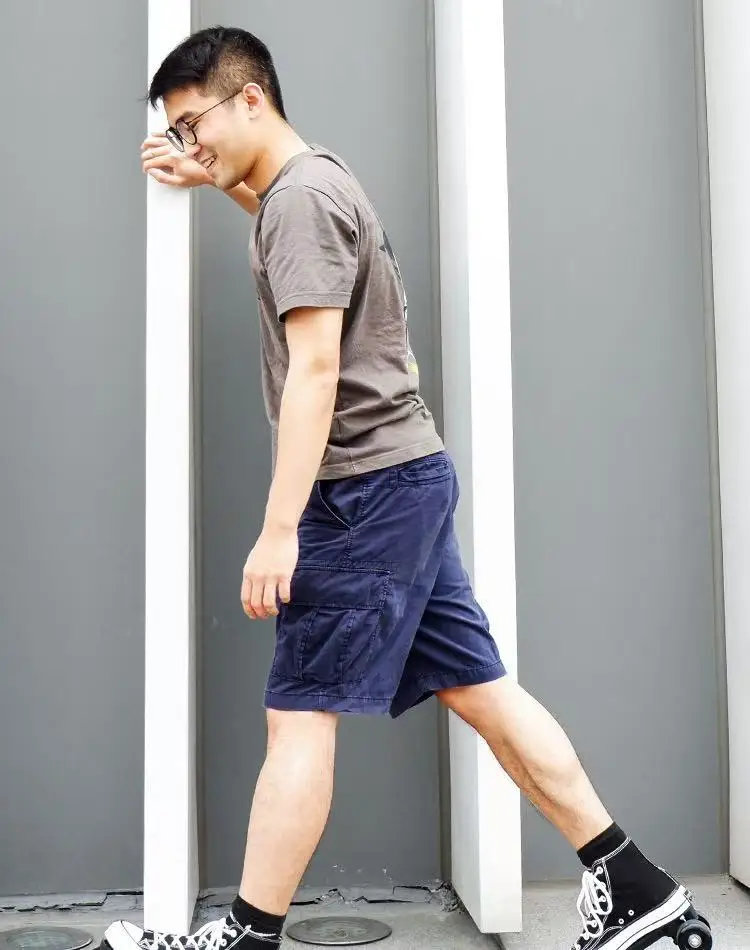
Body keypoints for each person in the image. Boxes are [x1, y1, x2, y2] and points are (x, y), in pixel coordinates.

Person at [104, 25, 709, 950]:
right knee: (482, 690)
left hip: (360, 494)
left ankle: (247, 939)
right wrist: (218, 181)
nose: (190, 143)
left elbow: (315, 370)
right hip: (404, 479)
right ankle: (635, 885)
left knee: (299, 714)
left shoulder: (299, 202)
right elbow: (294, 244)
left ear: (249, 98)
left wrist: (280, 528)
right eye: (179, 133)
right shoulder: (316, 181)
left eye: (194, 125)